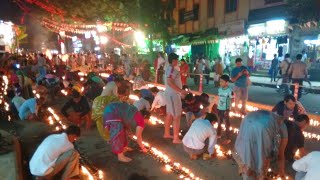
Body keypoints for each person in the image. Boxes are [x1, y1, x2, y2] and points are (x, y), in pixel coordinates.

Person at [233, 110, 283, 180]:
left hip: (248, 128)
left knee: (247, 153)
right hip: (262, 135)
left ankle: (247, 171)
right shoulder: (275, 122)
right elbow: (276, 141)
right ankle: (257, 174)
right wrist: (274, 154)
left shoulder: (267, 116)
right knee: (260, 156)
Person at [164, 53, 188, 144]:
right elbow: (169, 82)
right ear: (174, 60)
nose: (178, 62)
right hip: (173, 95)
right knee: (176, 117)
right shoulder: (172, 69)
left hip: (171, 94)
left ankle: (166, 133)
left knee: (169, 114)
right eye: (177, 60)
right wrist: (181, 91)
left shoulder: (170, 69)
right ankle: (175, 138)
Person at [216, 75, 233, 144]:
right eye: (220, 81)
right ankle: (218, 134)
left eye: (222, 81)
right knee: (219, 122)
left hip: (226, 109)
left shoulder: (229, 90)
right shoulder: (219, 89)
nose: (220, 83)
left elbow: (230, 100)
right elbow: (219, 98)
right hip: (219, 108)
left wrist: (228, 109)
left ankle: (228, 138)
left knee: (227, 124)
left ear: (226, 82)